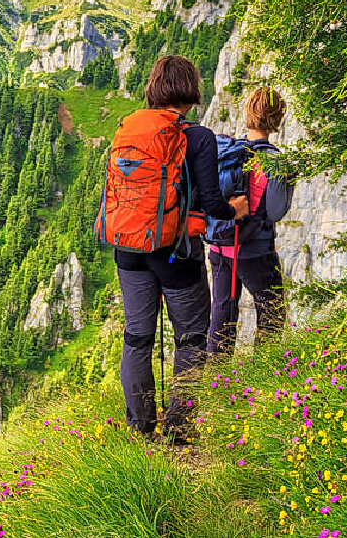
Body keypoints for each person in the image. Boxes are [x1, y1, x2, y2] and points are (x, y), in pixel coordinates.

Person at [112, 55, 248, 442]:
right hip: (177, 253)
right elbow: (211, 202)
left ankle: (140, 427)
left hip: (130, 248)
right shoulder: (197, 137)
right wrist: (234, 209)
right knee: (189, 337)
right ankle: (179, 429)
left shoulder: (130, 129)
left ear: (155, 87)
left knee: (137, 336)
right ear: (190, 90)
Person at [207, 86, 294, 355]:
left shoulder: (229, 152)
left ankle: (216, 383)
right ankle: (262, 379)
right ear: (278, 118)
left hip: (220, 246)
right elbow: (276, 212)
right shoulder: (274, 161)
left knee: (222, 315)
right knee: (271, 313)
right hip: (255, 249)